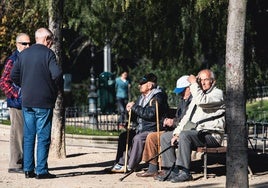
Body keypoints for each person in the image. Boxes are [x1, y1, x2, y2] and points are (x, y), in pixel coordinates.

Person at [11, 28, 63, 179]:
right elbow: (57, 74)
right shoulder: (48, 54)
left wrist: (25, 84)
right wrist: (53, 88)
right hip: (44, 101)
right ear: (46, 39)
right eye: (51, 40)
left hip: (27, 101)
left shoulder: (24, 54)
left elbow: (13, 75)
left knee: (28, 135)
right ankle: (41, 171)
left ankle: (28, 170)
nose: (52, 44)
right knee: (43, 136)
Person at [156, 69, 225, 183]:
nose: (202, 83)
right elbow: (186, 119)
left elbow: (201, 101)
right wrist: (176, 133)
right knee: (166, 137)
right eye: (200, 80)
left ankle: (185, 172)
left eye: (206, 80)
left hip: (211, 136)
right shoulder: (198, 96)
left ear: (213, 81)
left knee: (185, 135)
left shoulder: (217, 93)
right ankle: (171, 169)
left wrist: (193, 83)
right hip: (196, 134)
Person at [110, 73, 169, 173]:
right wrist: (129, 111)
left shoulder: (158, 96)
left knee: (138, 138)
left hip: (153, 128)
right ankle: (120, 163)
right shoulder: (141, 97)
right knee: (124, 136)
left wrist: (135, 107)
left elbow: (151, 114)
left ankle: (131, 165)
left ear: (150, 85)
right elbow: (136, 116)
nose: (139, 86)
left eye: (142, 84)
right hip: (142, 128)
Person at [136, 75, 192, 177]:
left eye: (182, 91)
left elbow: (188, 120)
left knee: (155, 136)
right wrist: (171, 121)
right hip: (175, 129)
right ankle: (153, 168)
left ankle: (170, 168)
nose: (180, 94)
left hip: (185, 130)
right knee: (152, 137)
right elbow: (179, 118)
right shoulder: (183, 101)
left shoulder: (192, 101)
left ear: (189, 88)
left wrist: (173, 122)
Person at [0, 33, 31, 173]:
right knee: (17, 134)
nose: (28, 46)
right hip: (16, 103)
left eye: (30, 43)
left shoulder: (27, 57)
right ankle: (15, 165)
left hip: (26, 101)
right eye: (25, 44)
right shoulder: (13, 60)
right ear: (17, 44)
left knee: (25, 134)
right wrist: (18, 96)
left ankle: (25, 163)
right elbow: (4, 82)